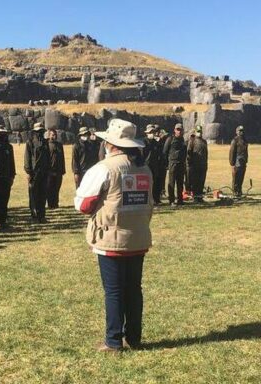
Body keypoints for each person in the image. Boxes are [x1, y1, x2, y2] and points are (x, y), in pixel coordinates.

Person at [74, 118, 153, 352]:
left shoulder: (104, 169)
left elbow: (84, 204)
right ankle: (134, 337)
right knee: (134, 289)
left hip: (111, 238)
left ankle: (113, 340)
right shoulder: (145, 168)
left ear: (110, 143)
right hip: (138, 236)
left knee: (114, 290)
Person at [24, 122, 50, 223]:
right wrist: (28, 172)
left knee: (43, 195)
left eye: (41, 131)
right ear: (34, 132)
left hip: (44, 172)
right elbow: (27, 158)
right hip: (34, 173)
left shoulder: (45, 142)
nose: (39, 133)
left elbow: (47, 157)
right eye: (38, 131)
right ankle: (34, 216)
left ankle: (42, 215)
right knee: (33, 195)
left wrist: (48, 171)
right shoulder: (30, 142)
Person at [163, 123, 187, 206]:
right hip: (172, 163)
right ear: (174, 130)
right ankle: (171, 201)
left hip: (181, 164)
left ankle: (180, 200)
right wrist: (167, 164)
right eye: (178, 129)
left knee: (180, 183)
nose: (179, 131)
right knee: (172, 183)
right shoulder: (170, 139)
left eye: (180, 130)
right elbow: (165, 152)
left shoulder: (183, 140)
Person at [187, 125, 208, 202]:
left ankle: (200, 196)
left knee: (201, 182)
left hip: (203, 165)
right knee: (195, 182)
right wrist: (190, 164)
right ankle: (195, 197)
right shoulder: (192, 141)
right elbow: (189, 153)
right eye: (198, 131)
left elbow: (206, 154)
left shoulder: (204, 142)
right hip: (195, 165)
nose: (199, 133)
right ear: (195, 132)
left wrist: (206, 164)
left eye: (200, 131)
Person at [143, 124, 163, 205]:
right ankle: (146, 200)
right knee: (146, 184)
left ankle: (156, 199)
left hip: (155, 166)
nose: (152, 133)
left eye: (153, 132)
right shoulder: (143, 142)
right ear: (147, 133)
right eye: (150, 132)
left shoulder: (156, 142)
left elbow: (159, 153)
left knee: (156, 183)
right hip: (146, 166)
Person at [46, 128, 66, 209]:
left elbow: (62, 158)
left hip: (58, 170)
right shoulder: (46, 145)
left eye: (55, 135)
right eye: (52, 135)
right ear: (49, 135)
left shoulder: (59, 145)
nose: (54, 136)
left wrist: (63, 169)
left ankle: (55, 203)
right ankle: (50, 204)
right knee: (49, 188)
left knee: (57, 188)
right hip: (49, 171)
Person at [229, 125, 249, 197]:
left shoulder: (245, 140)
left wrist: (246, 160)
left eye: (242, 131)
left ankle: (239, 191)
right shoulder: (235, 140)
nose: (241, 132)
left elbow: (246, 152)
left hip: (243, 162)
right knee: (236, 179)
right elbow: (232, 152)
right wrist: (232, 163)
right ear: (236, 131)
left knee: (241, 178)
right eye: (240, 131)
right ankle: (235, 192)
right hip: (237, 162)